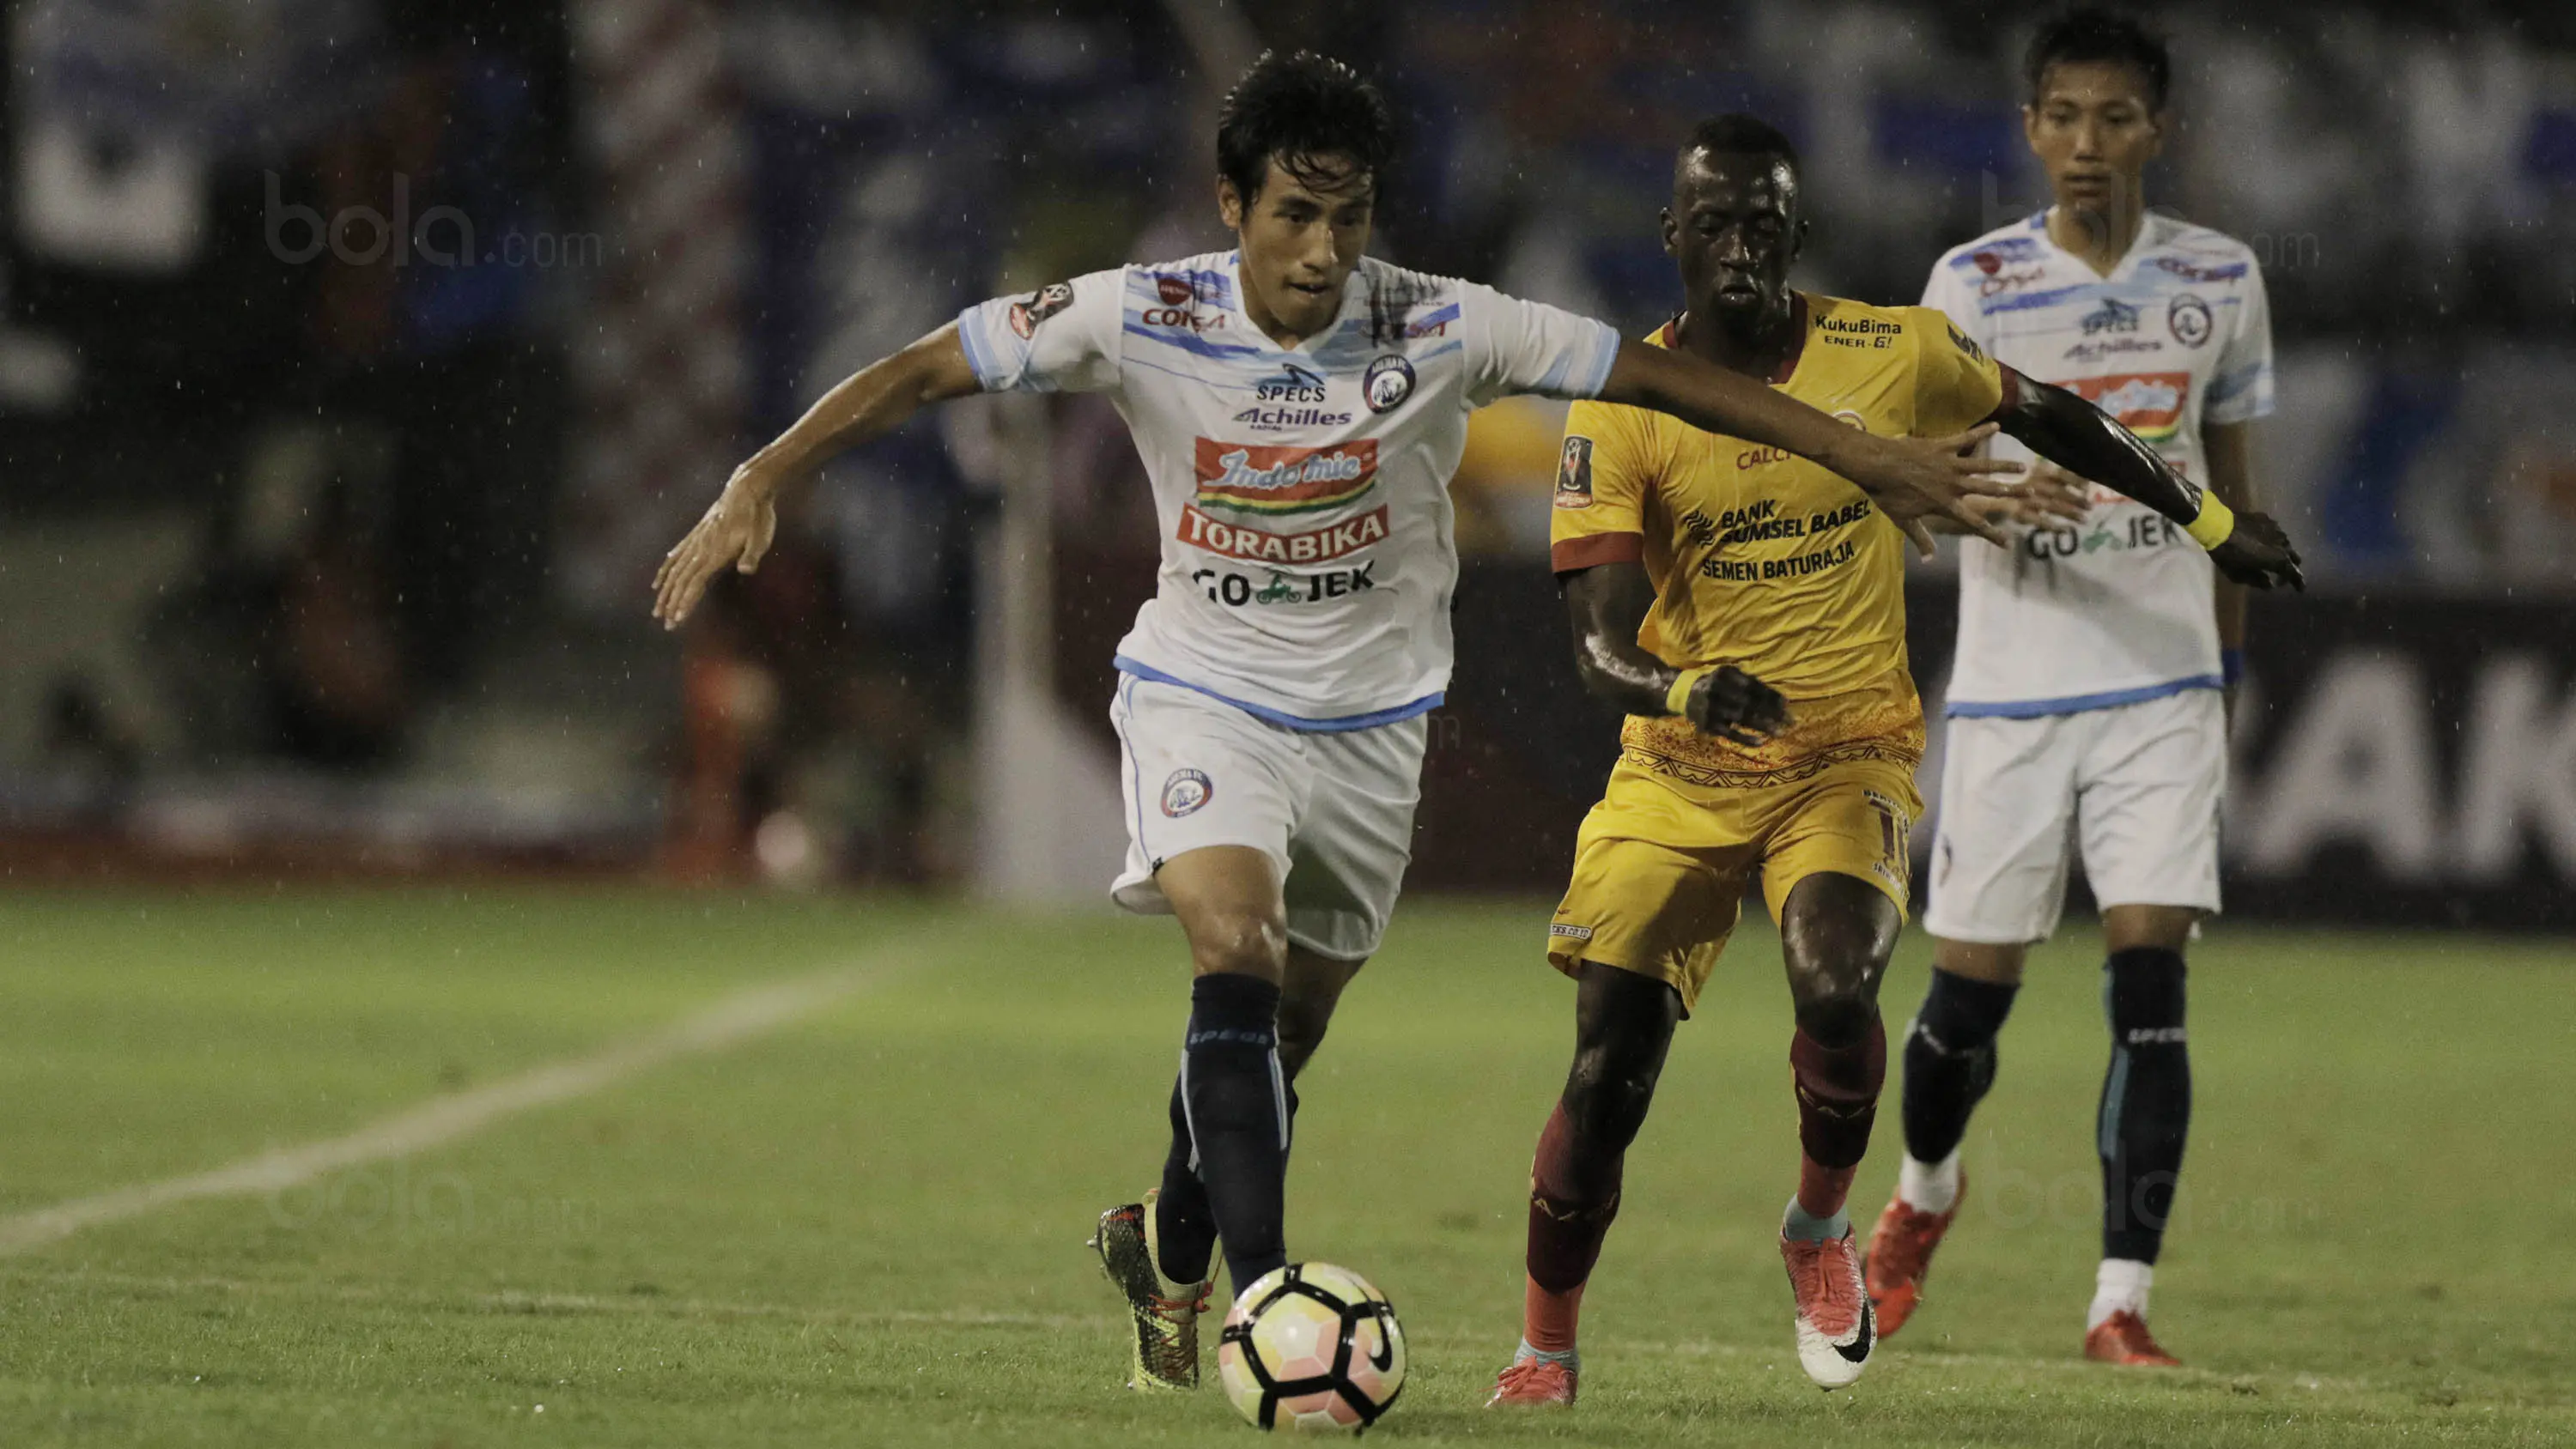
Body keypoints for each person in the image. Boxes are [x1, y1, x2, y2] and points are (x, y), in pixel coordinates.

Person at [649, 52, 2026, 1396]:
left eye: (1348, 216)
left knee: (1280, 1039)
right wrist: (761, 474)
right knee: (1232, 955)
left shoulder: (1440, 321)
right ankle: (1269, 1302)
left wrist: (1867, 453)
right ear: (1232, 204)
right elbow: (927, 365)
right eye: (1295, 214)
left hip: (1374, 725)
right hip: (1203, 694)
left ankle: (1167, 1245)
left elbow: (1657, 381)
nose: (1322, 249)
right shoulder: (1141, 311)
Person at [1485, 112, 2300, 1406]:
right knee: (1607, 1073)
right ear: (1673, 236)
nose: (1740, 244)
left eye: (1764, 219)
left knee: (1836, 984)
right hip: (1681, 766)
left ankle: (1818, 1231)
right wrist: (1687, 683)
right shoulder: (1624, 401)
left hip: (1845, 752)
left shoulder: (1893, 348)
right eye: (1715, 221)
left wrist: (2202, 517)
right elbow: (1596, 649)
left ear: (1797, 230)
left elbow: (2054, 415)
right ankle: (1545, 1346)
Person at [1863, 8, 2280, 1371]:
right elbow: (1919, 477)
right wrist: (2000, 478)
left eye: (2116, 118)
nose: (2088, 144)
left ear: (2158, 130)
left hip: (2162, 684)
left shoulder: (2220, 280)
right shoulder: (1972, 282)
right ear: (2031, 129)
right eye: (2065, 117)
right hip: (2014, 689)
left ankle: (2120, 1301)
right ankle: (1925, 1192)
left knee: (2148, 985)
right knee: (1959, 1014)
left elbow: (2234, 492)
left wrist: (2221, 673)